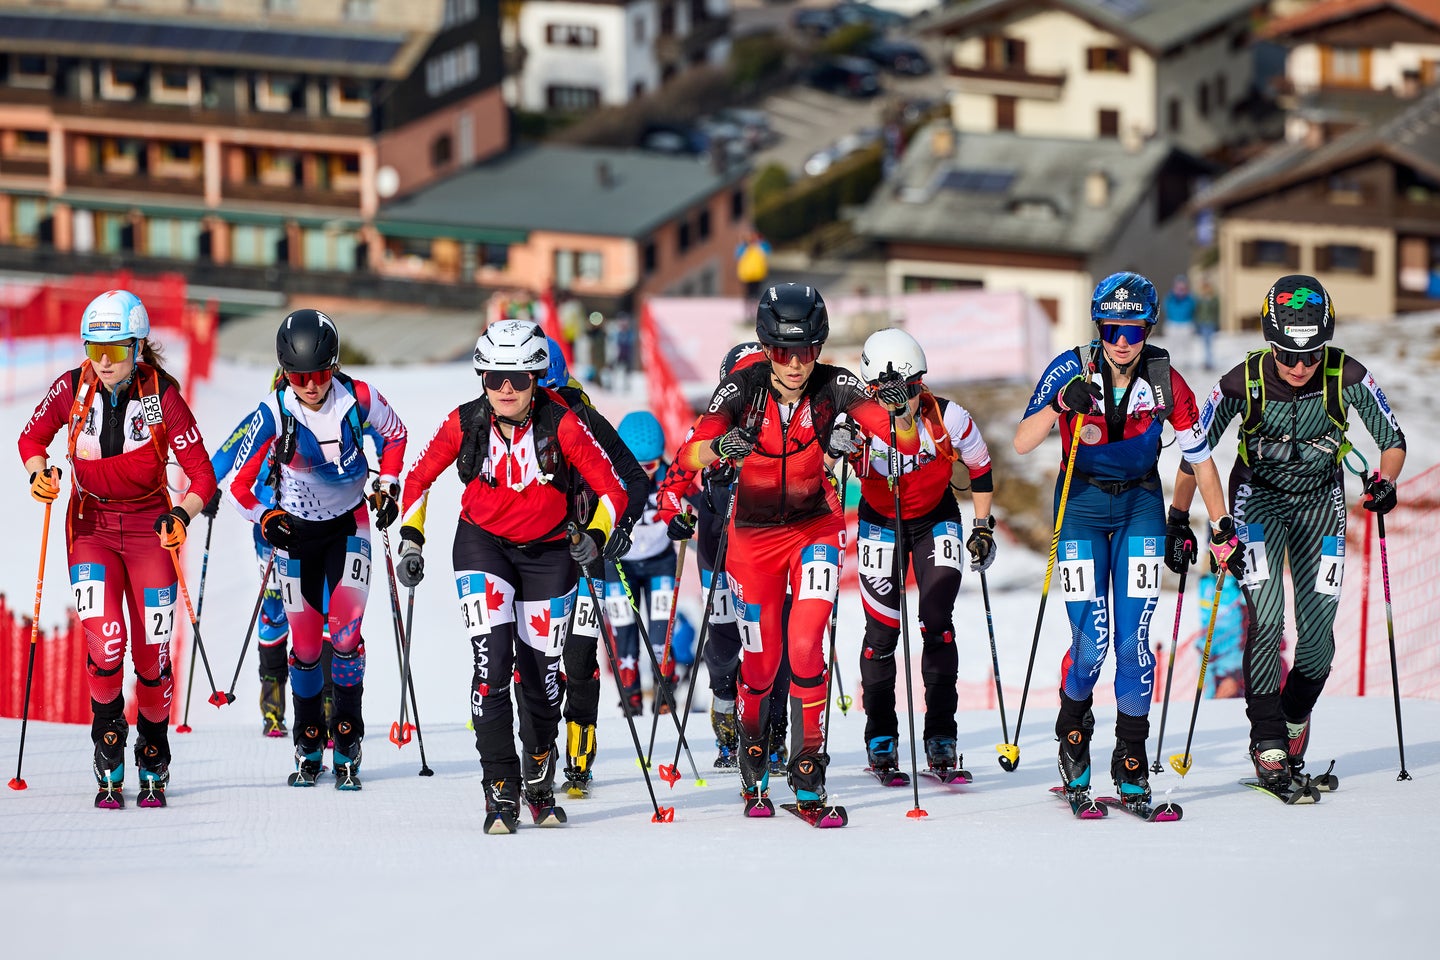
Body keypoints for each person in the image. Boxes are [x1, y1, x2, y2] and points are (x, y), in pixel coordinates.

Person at [675, 283, 921, 813]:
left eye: (806, 351)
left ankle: (809, 760)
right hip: (753, 541)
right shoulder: (742, 388)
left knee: (806, 644)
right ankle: (754, 744)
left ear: (819, 347)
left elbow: (904, 442)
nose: (794, 363)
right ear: (766, 348)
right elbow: (689, 452)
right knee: (761, 665)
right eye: (784, 352)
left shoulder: (837, 385)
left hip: (814, 531)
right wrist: (720, 446)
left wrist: (899, 413)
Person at [1169, 274, 1405, 790]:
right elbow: (1195, 451)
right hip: (1259, 502)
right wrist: (1177, 519)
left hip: (1323, 504)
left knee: (1318, 638)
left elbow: (1392, 438)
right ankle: (1269, 739)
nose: (1299, 367)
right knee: (1267, 615)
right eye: (1287, 356)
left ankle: (1295, 717)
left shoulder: (1347, 375)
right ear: (1269, 341)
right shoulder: (1242, 380)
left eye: (1311, 355)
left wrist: (1385, 481)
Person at [1013, 271, 1240, 806]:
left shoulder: (1166, 381)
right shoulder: (1072, 366)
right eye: (1112, 329)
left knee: (1134, 644)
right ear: (1099, 327)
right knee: (1091, 644)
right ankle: (1072, 736)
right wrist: (1061, 403)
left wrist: (1220, 525)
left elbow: (1200, 460)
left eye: (1133, 331)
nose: (1121, 341)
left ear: (1148, 330)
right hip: (1080, 507)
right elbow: (1023, 442)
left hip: (1140, 504)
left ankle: (1130, 755)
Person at [395, 319, 629, 833]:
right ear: (481, 377)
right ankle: (499, 787)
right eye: (495, 376)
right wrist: (412, 538)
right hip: (483, 547)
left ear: (537, 378)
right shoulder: (465, 423)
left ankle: (538, 778)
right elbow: (417, 479)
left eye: (519, 378)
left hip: (550, 555)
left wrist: (594, 534)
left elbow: (613, 489)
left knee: (545, 681)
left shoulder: (563, 423)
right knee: (492, 664)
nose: (506, 388)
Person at [19, 289, 217, 808]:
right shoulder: (72, 388)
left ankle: (153, 752)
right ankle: (108, 748)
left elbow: (203, 477)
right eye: (93, 348)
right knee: (106, 644)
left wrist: (182, 513)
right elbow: (30, 440)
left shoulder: (162, 395)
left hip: (151, 529)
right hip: (91, 527)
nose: (103, 362)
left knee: (152, 657)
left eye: (117, 349)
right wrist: (39, 476)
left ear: (139, 346)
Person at [227, 309, 408, 790]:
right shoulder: (273, 412)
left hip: (351, 525)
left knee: (345, 639)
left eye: (319, 374)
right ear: (285, 373)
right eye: (298, 376)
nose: (309, 385)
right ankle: (308, 745)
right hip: (299, 536)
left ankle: (347, 744)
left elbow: (396, 435)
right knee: (306, 648)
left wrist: (388, 486)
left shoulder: (359, 398)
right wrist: (268, 517)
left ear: (334, 366)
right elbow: (240, 487)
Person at [846, 328, 997, 781]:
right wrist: (834, 451)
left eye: (911, 390)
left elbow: (981, 467)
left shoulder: (948, 418)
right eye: (887, 393)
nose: (901, 402)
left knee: (937, 622)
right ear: (870, 390)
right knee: (881, 633)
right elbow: (822, 465)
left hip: (935, 519)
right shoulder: (855, 424)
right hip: (879, 521)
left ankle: (940, 736)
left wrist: (982, 527)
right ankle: (881, 737)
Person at [654, 341, 793, 773]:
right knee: (725, 640)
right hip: (719, 544)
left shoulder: (790, 419)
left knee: (778, 642)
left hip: (772, 545)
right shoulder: (711, 424)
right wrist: (673, 513)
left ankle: (774, 735)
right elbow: (674, 479)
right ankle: (723, 709)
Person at [531, 338, 648, 797]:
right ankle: (538, 752)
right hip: (532, 557)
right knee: (538, 661)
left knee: (580, 659)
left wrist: (619, 525)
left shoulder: (583, 416)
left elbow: (634, 479)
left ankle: (580, 756)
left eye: (546, 391)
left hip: (586, 553)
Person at [204, 374, 334, 739]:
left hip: (320, 523)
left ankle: (325, 708)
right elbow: (227, 452)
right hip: (271, 527)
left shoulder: (331, 414)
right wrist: (208, 487)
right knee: (275, 609)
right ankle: (273, 710)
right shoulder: (265, 417)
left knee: (322, 611)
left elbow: (365, 436)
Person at [605, 411, 683, 715]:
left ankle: (665, 689)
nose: (644, 473)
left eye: (650, 465)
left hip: (659, 562)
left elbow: (697, 499)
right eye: (635, 466)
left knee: (661, 631)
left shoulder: (668, 477)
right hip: (618, 564)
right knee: (623, 631)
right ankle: (631, 695)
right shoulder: (610, 476)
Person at [1196, 569, 1246, 699]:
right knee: (1209, 699)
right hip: (1209, 654)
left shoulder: (1241, 585)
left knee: (1227, 697)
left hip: (1234, 659)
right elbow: (1205, 618)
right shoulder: (1206, 582)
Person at [735, 230, 772, 302]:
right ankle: (749, 307)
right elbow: (738, 254)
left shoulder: (760, 246)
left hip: (758, 274)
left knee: (757, 292)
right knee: (748, 293)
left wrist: (760, 241)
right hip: (747, 275)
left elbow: (768, 249)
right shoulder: (744, 247)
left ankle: (755, 305)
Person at [1193, 276, 1220, 372]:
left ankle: (1209, 362)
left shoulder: (1213, 298)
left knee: (1209, 344)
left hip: (1210, 323)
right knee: (1204, 344)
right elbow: (1197, 311)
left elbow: (1216, 311)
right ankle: (1206, 361)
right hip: (1202, 323)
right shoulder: (1199, 298)